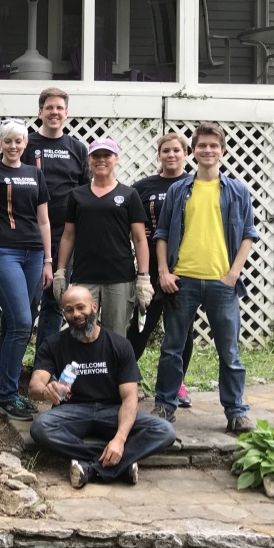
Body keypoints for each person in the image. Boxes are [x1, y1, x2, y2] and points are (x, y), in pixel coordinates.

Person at [152, 122, 259, 434]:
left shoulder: (238, 190)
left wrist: (233, 273)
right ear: (193, 152)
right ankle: (165, 404)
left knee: (229, 351)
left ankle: (236, 411)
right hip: (182, 280)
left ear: (222, 151)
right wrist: (163, 272)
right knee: (172, 347)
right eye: (202, 146)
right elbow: (161, 233)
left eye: (214, 146)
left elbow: (248, 235)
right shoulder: (177, 190)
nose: (208, 150)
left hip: (221, 284)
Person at [28, 286, 176, 488]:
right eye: (69, 310)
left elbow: (130, 398)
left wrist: (120, 439)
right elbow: (35, 384)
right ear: (64, 314)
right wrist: (45, 391)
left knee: (164, 430)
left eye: (81, 307)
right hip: (73, 412)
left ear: (94, 307)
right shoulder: (53, 344)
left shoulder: (119, 345)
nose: (76, 314)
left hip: (112, 412)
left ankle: (90, 468)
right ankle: (118, 463)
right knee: (40, 427)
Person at [0, 118, 53, 422]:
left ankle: (9, 392)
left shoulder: (35, 174)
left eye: (19, 140)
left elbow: (44, 220)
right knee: (21, 321)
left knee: (14, 322)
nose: (14, 145)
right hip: (2, 251)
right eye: (8, 141)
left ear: (25, 143)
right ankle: (7, 394)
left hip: (34, 253)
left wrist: (48, 260)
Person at [54, 136, 151, 337]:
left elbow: (140, 239)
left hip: (120, 277)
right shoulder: (76, 195)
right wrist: (60, 272)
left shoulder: (129, 194)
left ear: (115, 159)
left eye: (107, 155)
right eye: (96, 156)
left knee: (115, 335)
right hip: (84, 277)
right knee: (82, 333)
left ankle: (114, 370)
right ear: (88, 161)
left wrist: (143, 277)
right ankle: (81, 369)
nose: (101, 160)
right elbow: (68, 236)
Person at [127, 133, 195, 408]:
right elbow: (127, 218)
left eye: (176, 150)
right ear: (159, 155)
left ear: (185, 153)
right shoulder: (143, 187)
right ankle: (123, 379)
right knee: (141, 326)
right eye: (165, 150)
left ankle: (176, 382)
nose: (171, 155)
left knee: (182, 330)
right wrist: (135, 230)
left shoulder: (195, 184)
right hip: (151, 267)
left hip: (186, 267)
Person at [21, 88, 91, 351]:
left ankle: (43, 363)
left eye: (60, 108)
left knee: (54, 301)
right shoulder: (26, 145)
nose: (54, 112)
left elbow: (85, 192)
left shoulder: (77, 149)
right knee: (26, 303)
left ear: (66, 113)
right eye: (49, 107)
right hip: (29, 237)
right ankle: (13, 364)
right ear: (40, 112)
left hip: (65, 239)